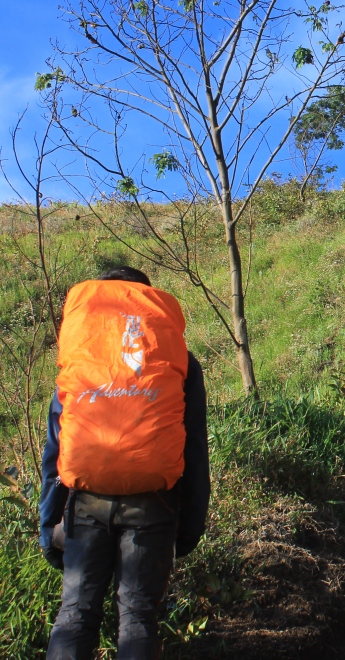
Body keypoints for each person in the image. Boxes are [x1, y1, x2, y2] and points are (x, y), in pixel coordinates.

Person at [39, 266, 210, 659]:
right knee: (137, 618)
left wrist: (49, 524)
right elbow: (194, 448)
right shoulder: (179, 359)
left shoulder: (81, 355)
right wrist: (190, 525)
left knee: (75, 615)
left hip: (85, 503)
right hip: (152, 505)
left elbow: (57, 444)